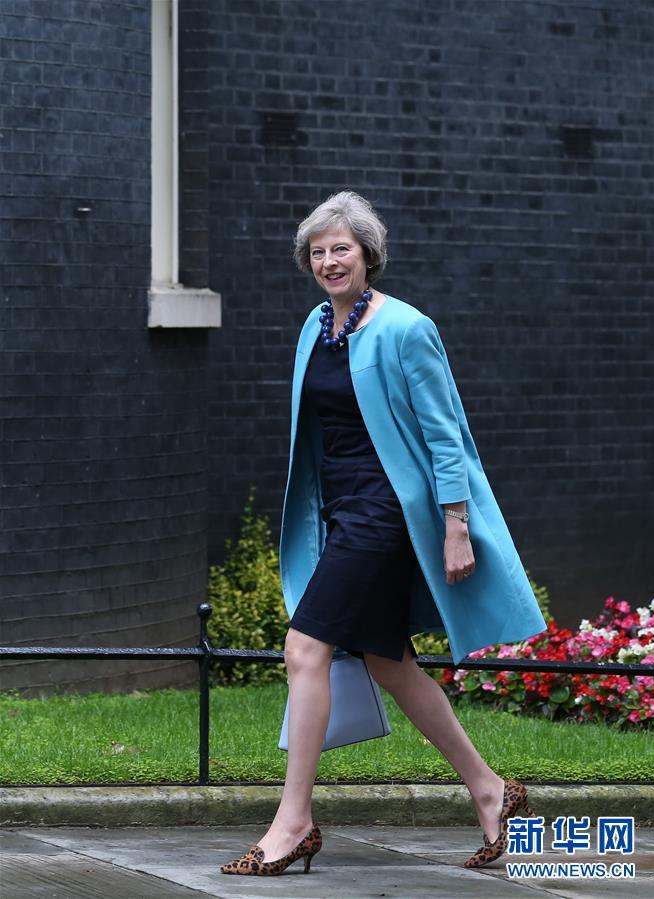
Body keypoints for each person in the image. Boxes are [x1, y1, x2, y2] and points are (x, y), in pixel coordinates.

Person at [220, 191, 545, 877]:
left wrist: (455, 525)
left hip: (387, 515)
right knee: (387, 661)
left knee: (304, 647)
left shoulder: (406, 328)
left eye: (341, 248)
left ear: (368, 253)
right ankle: (492, 790)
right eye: (318, 252)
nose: (329, 261)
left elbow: (445, 435)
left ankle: (294, 822)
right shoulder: (315, 327)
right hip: (343, 511)